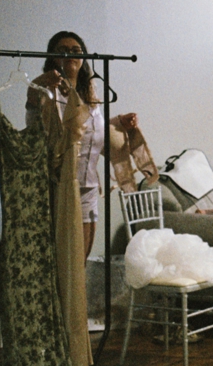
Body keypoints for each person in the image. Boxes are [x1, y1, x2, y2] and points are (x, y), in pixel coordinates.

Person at [25, 31, 139, 258]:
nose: (70, 54)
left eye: (76, 51)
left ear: (84, 57)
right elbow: (35, 129)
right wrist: (33, 91)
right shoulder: (47, 92)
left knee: (80, 261)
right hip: (56, 186)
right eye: (62, 50)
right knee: (58, 261)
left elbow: (96, 139)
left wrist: (120, 124)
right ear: (52, 58)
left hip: (87, 188)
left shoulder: (92, 98)